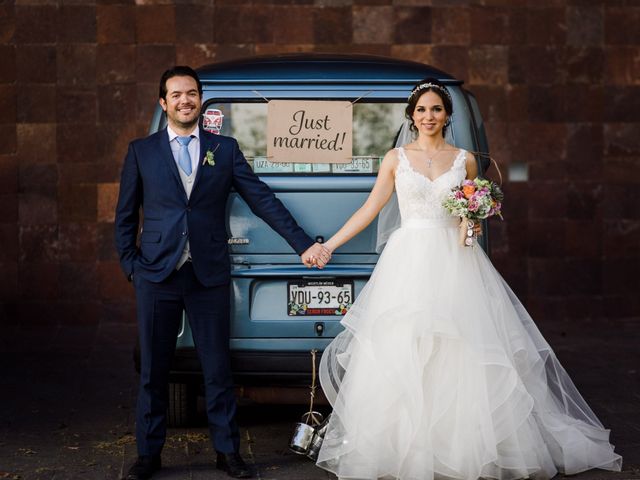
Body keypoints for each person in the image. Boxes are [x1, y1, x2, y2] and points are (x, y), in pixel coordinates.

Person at [313, 78, 622, 480]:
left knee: (460, 348)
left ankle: (459, 445)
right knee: (404, 345)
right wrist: (329, 245)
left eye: (436, 110)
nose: (428, 116)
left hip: (455, 262)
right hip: (408, 260)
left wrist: (470, 224)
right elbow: (371, 208)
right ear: (411, 116)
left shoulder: (465, 160)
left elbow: (467, 219)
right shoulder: (395, 158)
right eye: (421, 110)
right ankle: (403, 448)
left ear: (447, 115)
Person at [114, 66, 330, 480]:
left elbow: (262, 199)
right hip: (156, 274)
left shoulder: (224, 149)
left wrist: (304, 243)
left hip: (208, 275)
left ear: (200, 99)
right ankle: (148, 454)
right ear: (163, 103)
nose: (184, 100)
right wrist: (132, 267)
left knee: (217, 369)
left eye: (191, 93)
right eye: (176, 95)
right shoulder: (141, 151)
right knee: (155, 370)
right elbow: (125, 216)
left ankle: (227, 452)